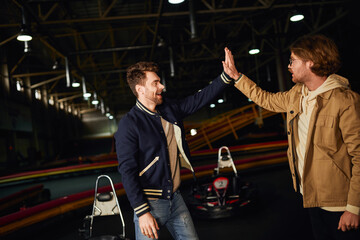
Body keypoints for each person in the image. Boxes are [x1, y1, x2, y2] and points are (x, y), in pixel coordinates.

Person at [222, 34, 360, 240]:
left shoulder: (344, 100)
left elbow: (358, 155)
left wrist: (354, 207)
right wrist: (237, 77)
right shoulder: (297, 94)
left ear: (310, 62)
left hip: (340, 204)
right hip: (311, 197)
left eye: (293, 60)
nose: (289, 66)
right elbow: (266, 99)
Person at [114, 58, 233, 239]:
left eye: (160, 81)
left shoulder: (169, 109)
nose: (162, 86)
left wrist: (225, 77)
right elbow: (127, 171)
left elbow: (198, 99)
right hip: (150, 204)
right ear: (140, 89)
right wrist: (142, 212)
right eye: (156, 83)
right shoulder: (129, 124)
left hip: (175, 199)